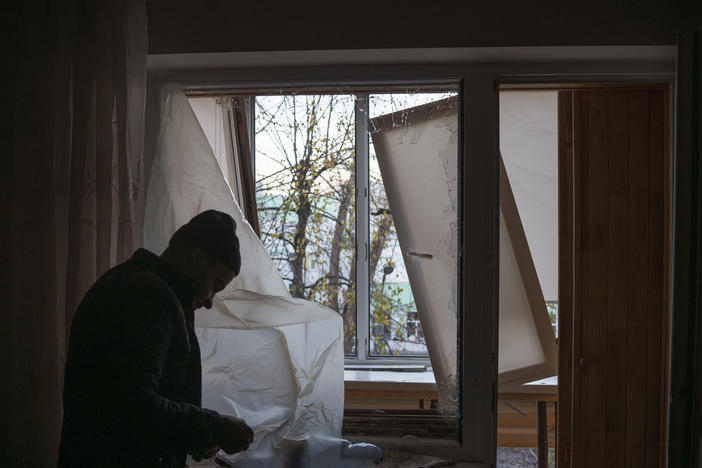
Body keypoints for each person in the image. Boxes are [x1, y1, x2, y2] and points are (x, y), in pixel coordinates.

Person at [58, 210, 254, 467]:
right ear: (198, 257)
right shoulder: (148, 297)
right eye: (216, 285)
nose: (209, 302)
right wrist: (214, 426)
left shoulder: (129, 282)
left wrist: (193, 437)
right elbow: (134, 406)